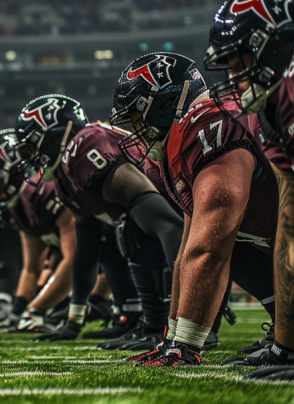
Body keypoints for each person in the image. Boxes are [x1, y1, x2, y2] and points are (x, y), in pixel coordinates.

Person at [203, 0, 294, 391]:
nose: (233, 76)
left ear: (282, 45)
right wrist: (285, 350)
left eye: (239, 60)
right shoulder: (274, 116)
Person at [110, 52, 279, 366]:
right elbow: (188, 250)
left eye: (136, 115)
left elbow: (209, 249)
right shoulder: (184, 135)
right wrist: (172, 339)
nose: (135, 127)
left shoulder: (207, 123)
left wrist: (185, 347)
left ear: (163, 104)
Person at [12, 94, 185, 351]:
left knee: (130, 231)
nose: (31, 157)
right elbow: (86, 251)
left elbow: (169, 223)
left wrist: (183, 319)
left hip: (186, 213)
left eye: (33, 146)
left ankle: (165, 324)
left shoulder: (87, 145)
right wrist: (74, 321)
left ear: (53, 136)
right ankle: (142, 321)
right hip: (176, 224)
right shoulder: (65, 175)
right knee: (107, 238)